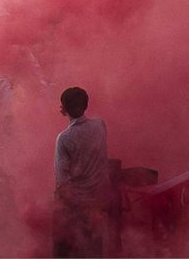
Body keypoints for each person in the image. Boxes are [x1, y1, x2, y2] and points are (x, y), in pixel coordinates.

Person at [53, 86, 109, 258]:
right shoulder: (100, 125)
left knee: (69, 250)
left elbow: (61, 182)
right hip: (98, 201)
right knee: (95, 248)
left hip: (77, 205)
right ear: (86, 105)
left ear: (63, 110)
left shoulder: (64, 138)